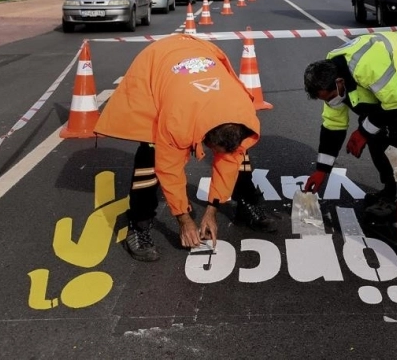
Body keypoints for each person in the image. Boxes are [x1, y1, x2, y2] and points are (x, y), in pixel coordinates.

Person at [95, 33, 275, 262]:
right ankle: (139, 225)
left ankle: (247, 202)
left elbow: (229, 159)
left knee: (238, 155)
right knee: (150, 156)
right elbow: (169, 171)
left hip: (198, 53)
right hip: (155, 63)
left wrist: (212, 210)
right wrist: (184, 219)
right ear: (203, 139)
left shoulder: (243, 115)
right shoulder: (177, 122)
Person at [302, 31, 397, 217]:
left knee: (392, 131)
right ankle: (391, 190)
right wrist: (322, 170)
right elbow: (332, 126)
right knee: (374, 129)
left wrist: (362, 132)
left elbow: (396, 102)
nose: (331, 102)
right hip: (395, 80)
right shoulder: (332, 75)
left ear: (339, 82)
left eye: (330, 97)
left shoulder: (364, 64)